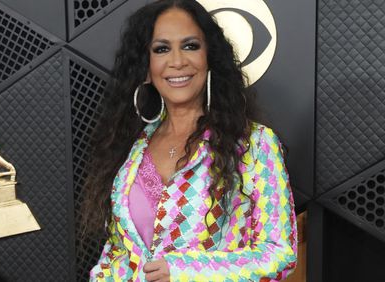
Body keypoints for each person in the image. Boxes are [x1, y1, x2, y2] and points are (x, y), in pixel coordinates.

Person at [81, 0, 297, 281]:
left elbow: (279, 254)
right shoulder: (129, 150)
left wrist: (186, 272)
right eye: (161, 49)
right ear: (146, 67)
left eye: (190, 46)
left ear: (210, 58)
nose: (177, 61)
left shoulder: (254, 144)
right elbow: (116, 254)